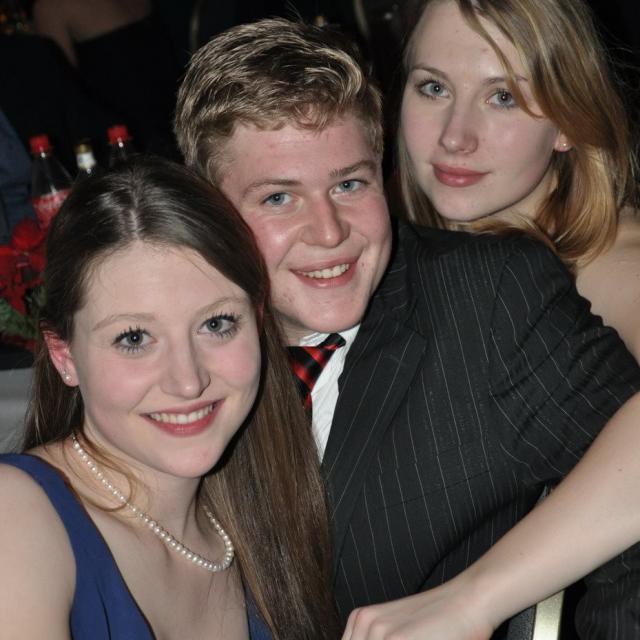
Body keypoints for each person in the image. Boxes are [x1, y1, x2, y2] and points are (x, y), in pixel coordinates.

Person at [174, 17, 640, 638]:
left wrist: (474, 601)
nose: (330, 232)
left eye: (349, 183)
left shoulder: (499, 300)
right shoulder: (163, 333)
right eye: (279, 198)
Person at [0, 155, 338, 639]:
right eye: (134, 338)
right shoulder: (15, 515)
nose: (187, 381)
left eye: (216, 324)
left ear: (258, 319)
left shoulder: (259, 521)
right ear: (64, 355)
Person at [397, 0, 640, 361]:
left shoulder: (612, 265)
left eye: (503, 97)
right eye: (434, 88)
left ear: (568, 123)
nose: (454, 137)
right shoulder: (389, 239)